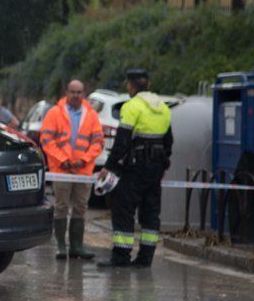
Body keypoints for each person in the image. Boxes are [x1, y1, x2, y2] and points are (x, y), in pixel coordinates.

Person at [97, 69, 173, 268]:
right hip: (155, 168)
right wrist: (164, 165)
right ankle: (145, 258)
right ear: (148, 84)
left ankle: (121, 257)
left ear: (130, 86)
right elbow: (168, 141)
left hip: (135, 168)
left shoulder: (132, 107)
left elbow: (122, 142)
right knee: (150, 213)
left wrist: (108, 167)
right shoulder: (163, 108)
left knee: (123, 209)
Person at [40, 80, 104, 260]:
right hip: (61, 170)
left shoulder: (91, 115)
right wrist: (63, 160)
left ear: (84, 93)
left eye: (79, 92)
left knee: (80, 208)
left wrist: (83, 160)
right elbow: (46, 140)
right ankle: (61, 246)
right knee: (61, 207)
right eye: (72, 92)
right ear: (66, 92)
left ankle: (77, 246)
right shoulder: (55, 113)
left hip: (83, 171)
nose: (76, 95)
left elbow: (98, 142)